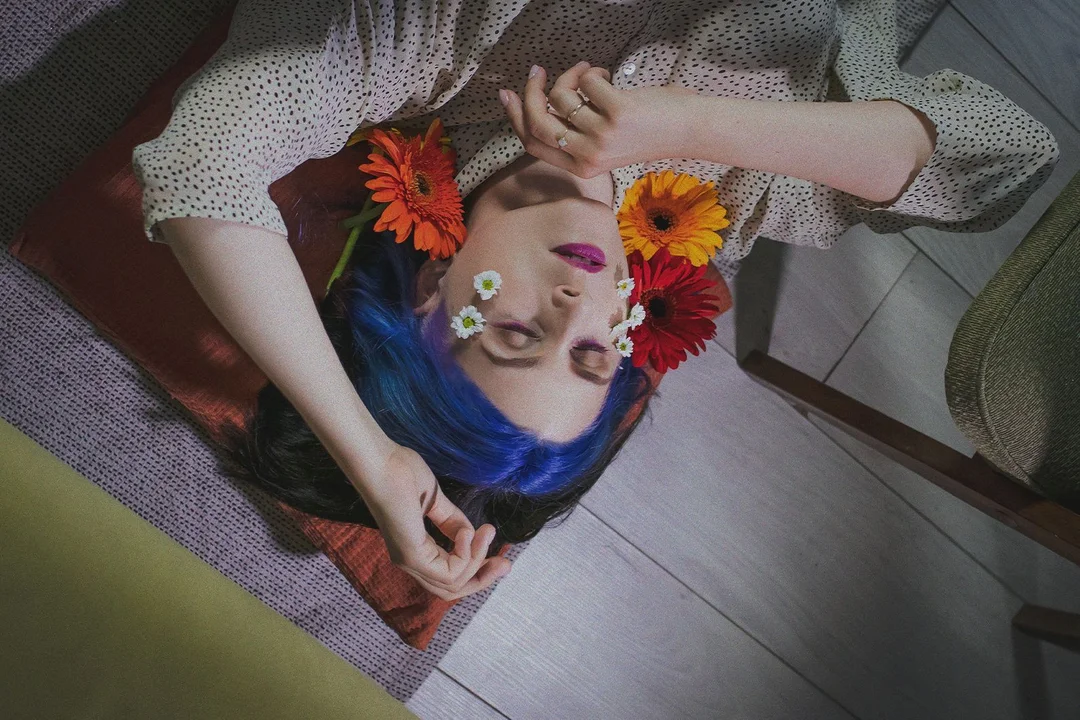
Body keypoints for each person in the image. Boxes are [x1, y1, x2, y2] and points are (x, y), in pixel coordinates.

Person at [132, 0, 1059, 601]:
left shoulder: (430, 49)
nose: (581, 300)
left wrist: (373, 458)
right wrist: (697, 122)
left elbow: (200, 163)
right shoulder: (735, 197)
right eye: (591, 352)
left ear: (430, 291)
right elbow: (1001, 161)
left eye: (515, 330)